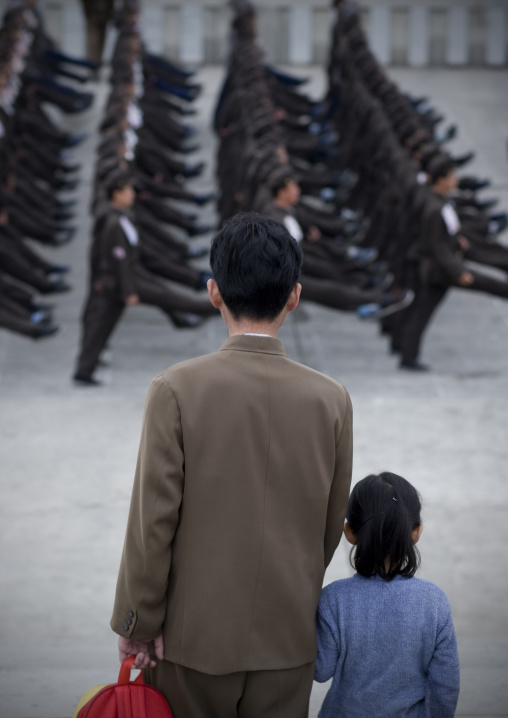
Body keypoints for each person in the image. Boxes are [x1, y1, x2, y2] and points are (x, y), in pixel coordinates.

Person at [110, 212, 353, 718]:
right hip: (287, 638)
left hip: (192, 639)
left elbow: (153, 523)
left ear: (214, 291)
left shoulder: (176, 389)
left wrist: (138, 622)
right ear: (295, 295)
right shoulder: (330, 399)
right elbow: (329, 528)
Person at [315, 471, 460, 718]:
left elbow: (320, 670)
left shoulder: (333, 598)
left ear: (349, 532)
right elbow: (446, 685)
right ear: (416, 533)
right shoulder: (434, 601)